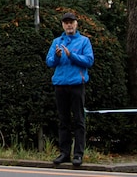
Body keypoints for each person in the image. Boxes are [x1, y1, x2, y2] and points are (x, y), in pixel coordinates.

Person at [46, 12, 94, 167]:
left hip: (76, 85)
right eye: (66, 23)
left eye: (71, 22)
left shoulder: (84, 41)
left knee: (79, 120)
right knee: (63, 121)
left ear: (76, 24)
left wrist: (71, 55)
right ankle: (64, 153)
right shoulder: (56, 42)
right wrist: (58, 56)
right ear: (62, 25)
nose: (69, 25)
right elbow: (49, 62)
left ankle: (78, 154)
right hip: (60, 84)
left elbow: (89, 60)